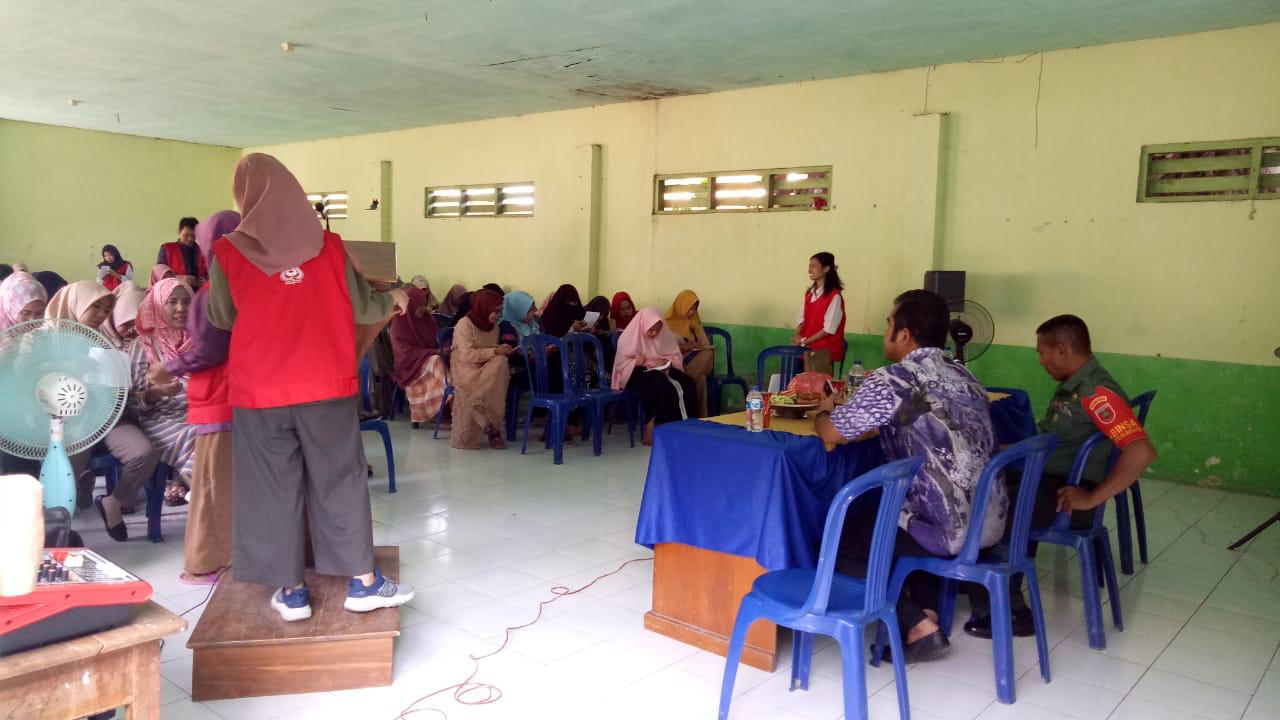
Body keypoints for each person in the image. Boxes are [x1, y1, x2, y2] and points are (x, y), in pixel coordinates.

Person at [206, 152, 412, 622]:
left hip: (260, 394)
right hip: (326, 386)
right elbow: (363, 307)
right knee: (340, 479)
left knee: (271, 488)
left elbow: (222, 317)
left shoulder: (229, 253)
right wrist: (392, 297)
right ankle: (363, 582)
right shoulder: (330, 247)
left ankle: (293, 592)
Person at [814, 289, 1001, 662]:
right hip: (991, 522)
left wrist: (821, 412)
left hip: (947, 530)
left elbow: (832, 433)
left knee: (840, 537)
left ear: (904, 334)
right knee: (892, 516)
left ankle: (917, 625)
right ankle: (928, 609)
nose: (886, 330)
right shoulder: (966, 374)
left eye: (888, 323)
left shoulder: (893, 379)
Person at [963, 314, 1157, 639]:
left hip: (1066, 494)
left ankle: (1011, 610)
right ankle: (977, 580)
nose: (1041, 361)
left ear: (1063, 349)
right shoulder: (1074, 388)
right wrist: (1002, 448)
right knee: (984, 485)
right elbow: (1056, 442)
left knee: (993, 502)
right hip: (1047, 481)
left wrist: (1092, 497)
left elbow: (1141, 451)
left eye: (1043, 353)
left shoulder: (1097, 393)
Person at [149, 210, 240, 584]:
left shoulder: (213, 293)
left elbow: (210, 351)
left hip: (217, 400)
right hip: (242, 397)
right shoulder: (249, 286)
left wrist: (167, 368)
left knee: (209, 489)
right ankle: (234, 555)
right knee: (225, 485)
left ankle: (208, 562)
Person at [44, 281, 161, 539]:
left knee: (144, 452)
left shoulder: (107, 342)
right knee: (65, 461)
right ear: (75, 305)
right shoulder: (44, 342)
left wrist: (120, 387)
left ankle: (115, 501)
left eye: (106, 309)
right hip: (67, 424)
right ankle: (60, 526)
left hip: (109, 418)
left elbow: (120, 395)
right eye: (95, 307)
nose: (101, 315)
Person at [131, 278, 198, 506]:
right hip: (160, 417)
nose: (181, 309)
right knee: (198, 435)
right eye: (172, 302)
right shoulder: (143, 345)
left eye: (187, 301)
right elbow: (135, 401)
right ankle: (204, 491)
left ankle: (192, 486)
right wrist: (157, 392)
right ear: (158, 305)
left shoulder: (200, 339)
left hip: (198, 410)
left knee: (220, 431)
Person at [612, 307, 696, 445]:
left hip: (661, 368)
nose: (655, 332)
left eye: (658, 329)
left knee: (687, 382)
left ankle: (686, 425)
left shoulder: (663, 335)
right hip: (637, 372)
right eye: (651, 329)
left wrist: (666, 362)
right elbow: (621, 364)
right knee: (657, 382)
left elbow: (674, 354)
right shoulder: (628, 337)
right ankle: (654, 425)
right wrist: (640, 361)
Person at [448, 289, 513, 450]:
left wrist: (499, 349)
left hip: (485, 367)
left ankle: (491, 426)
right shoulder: (464, 324)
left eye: (500, 311)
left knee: (501, 363)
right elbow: (466, 355)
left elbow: (488, 348)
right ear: (484, 307)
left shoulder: (494, 326)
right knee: (466, 441)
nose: (498, 315)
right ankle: (491, 427)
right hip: (466, 368)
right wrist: (494, 351)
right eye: (495, 311)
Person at [390, 286, 449, 425]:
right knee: (436, 362)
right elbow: (405, 354)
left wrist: (446, 348)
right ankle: (441, 411)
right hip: (411, 368)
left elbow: (438, 339)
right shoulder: (399, 325)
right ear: (410, 305)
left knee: (452, 362)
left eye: (424, 304)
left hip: (430, 360)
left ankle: (451, 410)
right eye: (420, 305)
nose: (424, 308)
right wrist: (434, 352)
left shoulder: (427, 319)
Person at [793, 252, 847, 372]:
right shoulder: (809, 293)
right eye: (809, 265)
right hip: (805, 350)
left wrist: (805, 342)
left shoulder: (834, 296)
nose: (809, 269)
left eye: (814, 266)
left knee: (817, 388)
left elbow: (828, 329)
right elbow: (802, 320)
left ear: (826, 269)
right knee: (798, 386)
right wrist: (797, 336)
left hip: (822, 354)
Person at [664, 290, 714, 418]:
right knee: (701, 379)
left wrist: (697, 344)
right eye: (689, 308)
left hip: (694, 363)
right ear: (681, 306)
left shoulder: (694, 322)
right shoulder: (667, 324)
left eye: (694, 309)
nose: (691, 312)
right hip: (678, 364)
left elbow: (705, 345)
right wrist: (685, 347)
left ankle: (697, 416)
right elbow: (666, 350)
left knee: (707, 353)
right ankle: (701, 416)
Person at [156, 217, 207, 286]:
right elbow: (159, 274)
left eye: (193, 235)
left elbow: (210, 274)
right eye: (186, 235)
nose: (190, 239)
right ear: (179, 231)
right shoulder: (167, 249)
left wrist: (203, 280)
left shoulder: (203, 251)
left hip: (199, 292)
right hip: (176, 292)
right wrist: (179, 278)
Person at [102, 286, 146, 351]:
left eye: (139, 324)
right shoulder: (96, 340)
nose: (134, 329)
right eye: (127, 324)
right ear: (114, 319)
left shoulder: (146, 341)